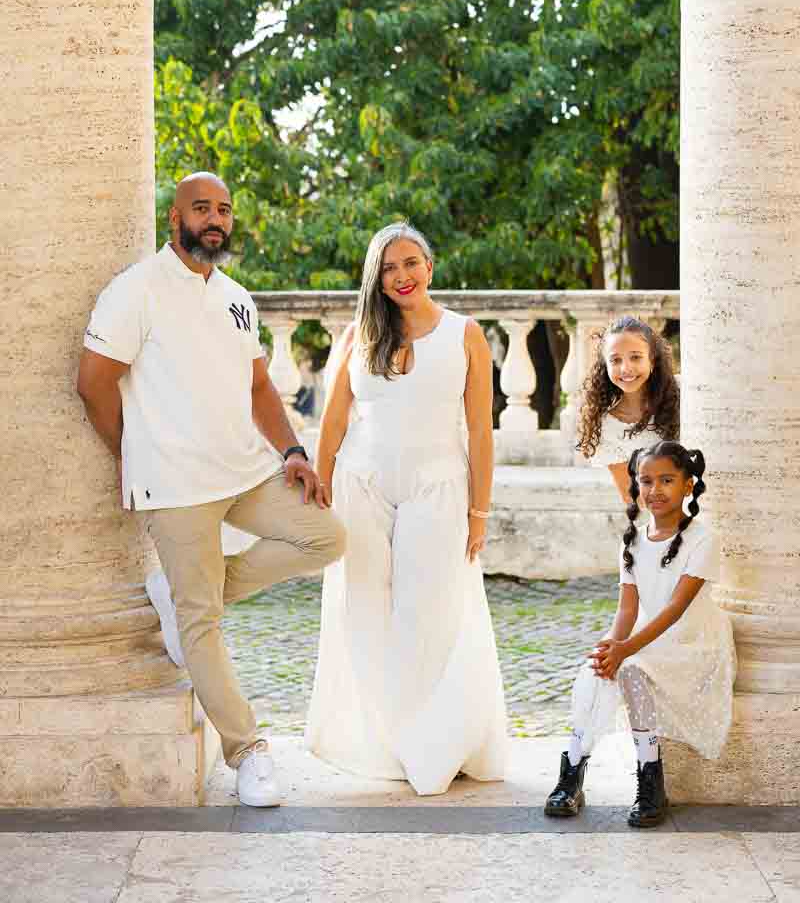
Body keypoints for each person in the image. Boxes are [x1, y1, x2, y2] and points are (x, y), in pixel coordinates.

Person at [77, 172, 346, 808]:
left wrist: (293, 451)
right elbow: (94, 384)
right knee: (202, 626)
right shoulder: (135, 290)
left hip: (244, 469)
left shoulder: (236, 297)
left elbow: (259, 390)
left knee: (326, 537)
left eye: (223, 209)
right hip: (174, 484)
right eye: (201, 208)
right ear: (175, 218)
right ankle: (247, 750)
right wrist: (133, 454)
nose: (215, 219)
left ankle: (187, 590)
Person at [304, 221, 507, 794]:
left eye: (410, 263)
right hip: (361, 486)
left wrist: (480, 512)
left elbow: (480, 432)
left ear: (430, 267)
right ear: (376, 278)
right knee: (365, 608)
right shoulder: (357, 337)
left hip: (438, 487)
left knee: (429, 613)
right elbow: (335, 422)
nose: (401, 276)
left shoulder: (465, 335)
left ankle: (435, 740)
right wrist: (319, 493)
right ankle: (384, 741)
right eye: (389, 268)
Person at [544, 441, 736, 827]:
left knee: (629, 667)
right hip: (646, 637)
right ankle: (571, 775)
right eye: (646, 481)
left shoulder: (703, 540)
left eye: (667, 479)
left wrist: (626, 650)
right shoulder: (631, 540)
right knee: (600, 672)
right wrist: (612, 648)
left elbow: (674, 610)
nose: (655, 490)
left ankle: (651, 782)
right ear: (635, 486)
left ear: (687, 485)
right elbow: (627, 609)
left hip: (691, 641)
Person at [576, 315, 679, 502]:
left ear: (652, 360)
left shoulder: (683, 393)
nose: (626, 368)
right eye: (615, 360)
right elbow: (631, 495)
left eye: (636, 357)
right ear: (605, 366)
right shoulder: (606, 426)